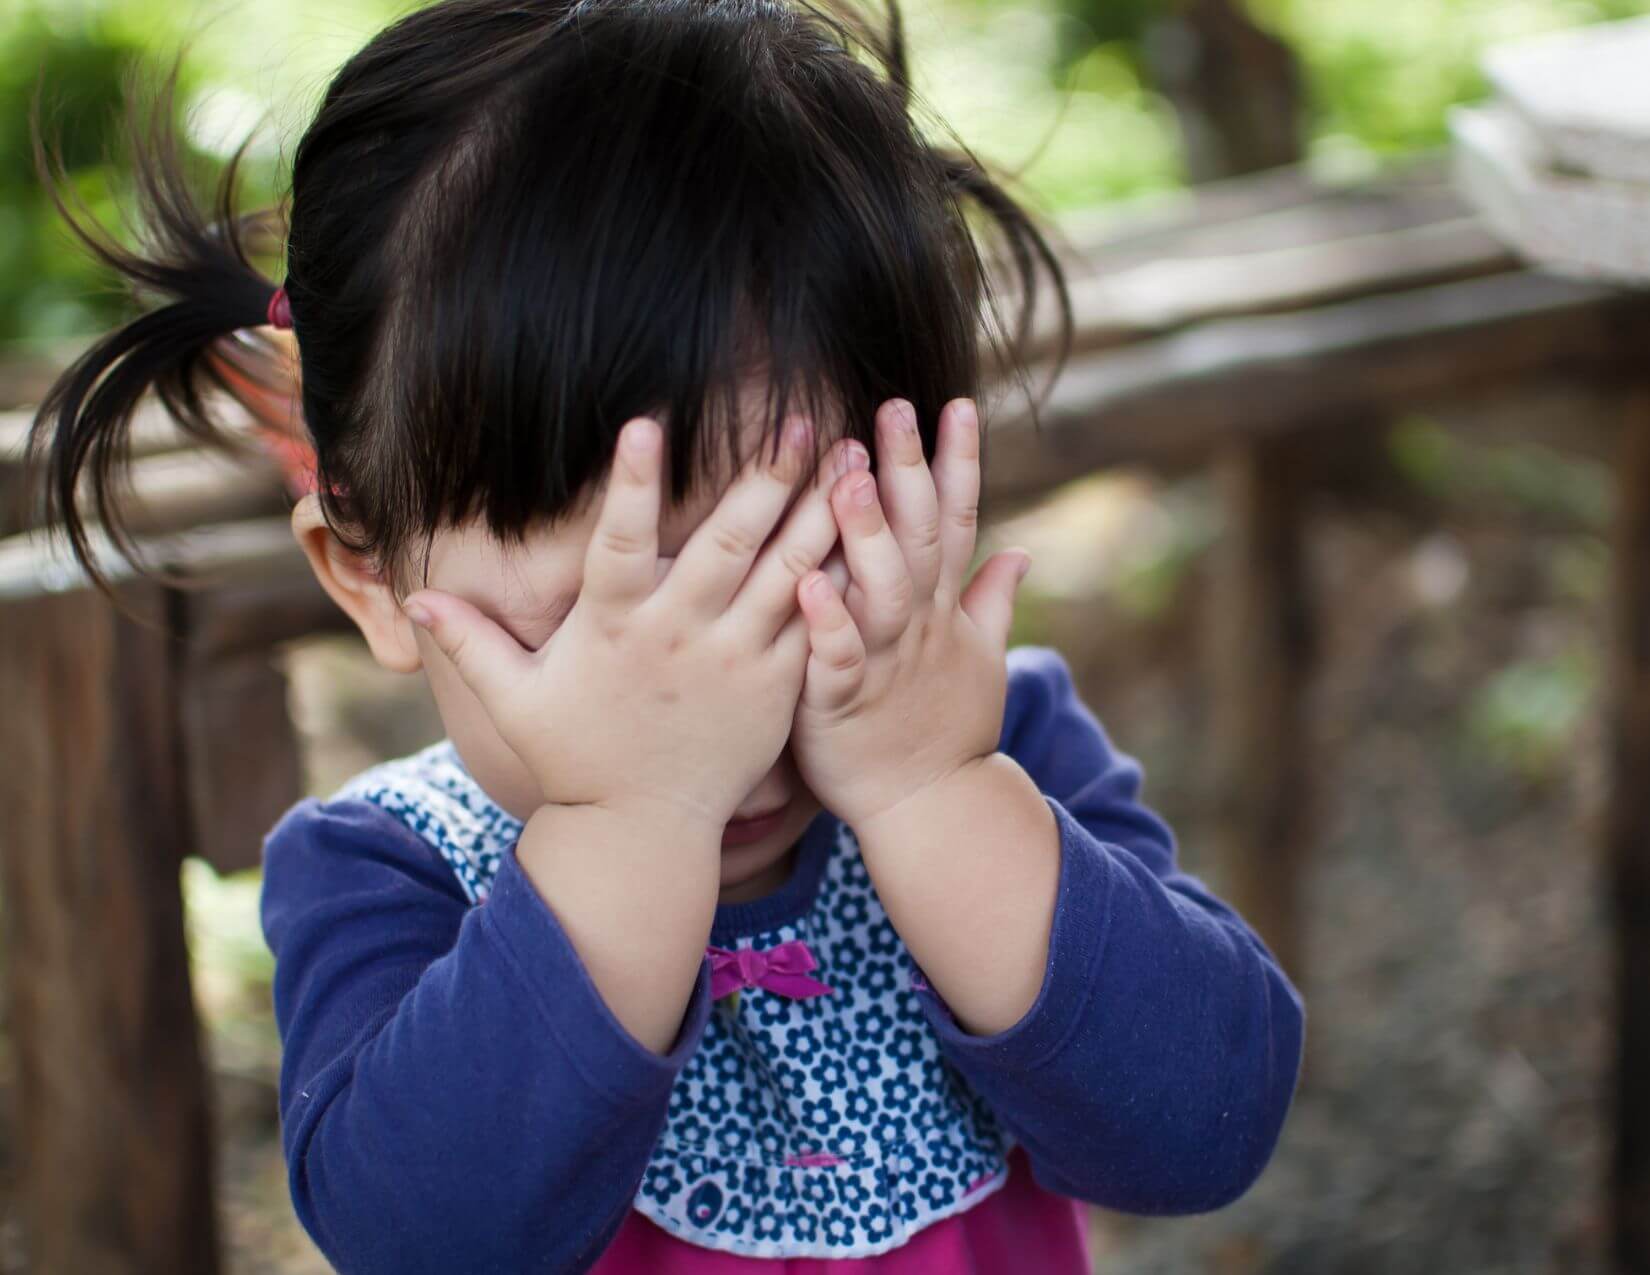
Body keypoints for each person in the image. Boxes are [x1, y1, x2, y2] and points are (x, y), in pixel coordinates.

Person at [23, 0, 1305, 1270]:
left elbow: (1203, 1130)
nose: (721, 706)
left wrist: (933, 788)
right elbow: (428, 1242)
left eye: (796, 571)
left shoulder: (997, 745)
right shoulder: (391, 874)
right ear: (366, 573)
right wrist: (632, 824)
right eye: (610, 612)